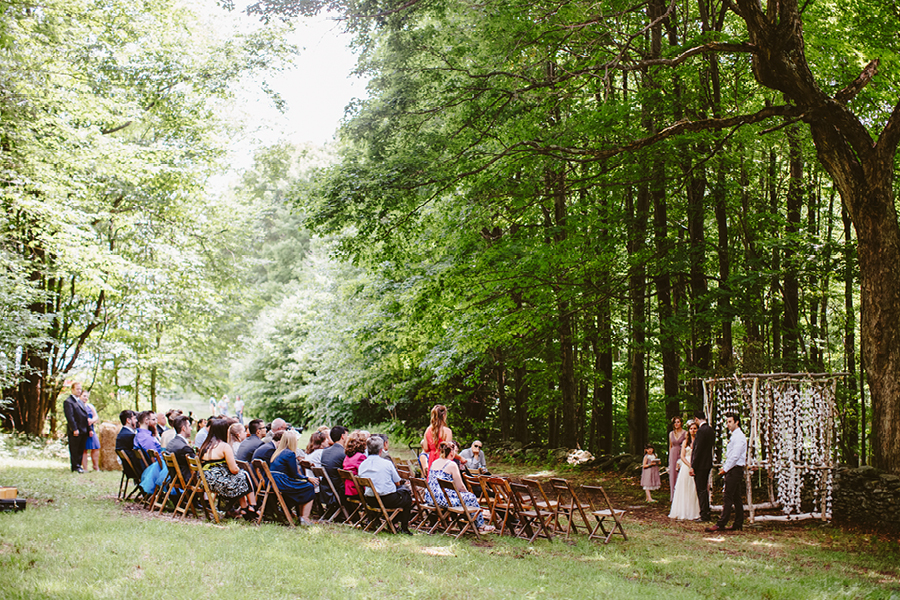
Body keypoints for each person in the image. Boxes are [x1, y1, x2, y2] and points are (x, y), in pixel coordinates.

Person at [426, 441, 493, 533]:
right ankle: (480, 525)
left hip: (430, 497)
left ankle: (467, 521)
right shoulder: (451, 464)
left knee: (465, 498)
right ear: (451, 452)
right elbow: (460, 486)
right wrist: (467, 493)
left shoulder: (434, 462)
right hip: (443, 499)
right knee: (471, 497)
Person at [199, 418, 257, 519]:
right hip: (218, 482)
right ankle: (251, 506)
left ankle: (245, 508)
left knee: (240, 478)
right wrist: (238, 469)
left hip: (205, 480)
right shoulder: (224, 446)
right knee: (243, 476)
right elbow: (233, 469)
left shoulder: (206, 445)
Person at [358, 435, 413, 534]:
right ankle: (403, 527)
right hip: (387, 500)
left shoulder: (362, 465)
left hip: (370, 500)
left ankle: (390, 522)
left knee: (399, 494)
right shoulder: (386, 463)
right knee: (406, 495)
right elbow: (397, 482)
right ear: (380, 450)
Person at [707, 412, 747, 533]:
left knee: (727, 496)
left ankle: (721, 523)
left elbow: (735, 456)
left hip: (735, 469)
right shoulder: (734, 436)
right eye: (727, 422)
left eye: (730, 421)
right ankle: (738, 523)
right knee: (736, 497)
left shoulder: (739, 436)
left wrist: (726, 468)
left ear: (737, 422)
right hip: (732, 468)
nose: (727, 424)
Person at [269, 430, 319, 525]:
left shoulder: (278, 452)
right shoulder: (290, 454)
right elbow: (294, 475)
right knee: (309, 487)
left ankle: (301, 516)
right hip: (281, 482)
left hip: (274, 481)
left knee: (304, 486)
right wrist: (308, 478)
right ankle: (304, 517)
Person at [668, 421, 700, 520]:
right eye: (691, 429)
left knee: (694, 488)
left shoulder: (699, 440)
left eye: (695, 428)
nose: (693, 431)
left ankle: (695, 510)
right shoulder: (685, 442)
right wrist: (690, 465)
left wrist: (695, 465)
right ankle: (682, 510)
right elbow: (682, 456)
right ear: (689, 430)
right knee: (684, 487)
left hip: (697, 465)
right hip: (686, 466)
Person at [689, 409, 715, 522]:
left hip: (700, 465)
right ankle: (706, 512)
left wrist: (693, 465)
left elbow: (697, 450)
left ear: (696, 419)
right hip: (707, 463)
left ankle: (704, 514)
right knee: (704, 489)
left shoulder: (700, 431)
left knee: (701, 489)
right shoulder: (710, 430)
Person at [63, 382, 89, 473]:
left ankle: (79, 465)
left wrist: (89, 429)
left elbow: (85, 416)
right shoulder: (68, 402)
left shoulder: (80, 401)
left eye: (80, 389)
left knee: (80, 448)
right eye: (77, 389)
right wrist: (74, 428)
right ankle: (75, 466)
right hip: (76, 429)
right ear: (72, 389)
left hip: (84, 430)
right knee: (74, 449)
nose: (79, 391)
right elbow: (70, 417)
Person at [321, 426, 349, 505]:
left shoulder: (325, 452)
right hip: (338, 491)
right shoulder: (343, 453)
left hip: (325, 489)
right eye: (347, 435)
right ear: (342, 436)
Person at [421, 404, 452, 475]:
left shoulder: (428, 430)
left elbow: (425, 449)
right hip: (443, 460)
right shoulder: (447, 431)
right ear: (444, 416)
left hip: (432, 459)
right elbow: (448, 450)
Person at [165, 415, 195, 484]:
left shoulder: (171, 443)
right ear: (183, 428)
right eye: (189, 426)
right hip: (189, 480)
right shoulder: (184, 448)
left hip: (175, 479)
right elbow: (197, 464)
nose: (191, 429)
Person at [342, 430, 369, 498]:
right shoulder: (360, 456)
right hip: (357, 491)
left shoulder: (347, 457)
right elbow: (365, 473)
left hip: (349, 489)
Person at [81, 389, 101, 472]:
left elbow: (96, 416)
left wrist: (92, 420)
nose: (86, 398)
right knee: (84, 449)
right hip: (83, 429)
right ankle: (85, 468)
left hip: (91, 429)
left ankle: (95, 466)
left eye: (87, 396)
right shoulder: (78, 406)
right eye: (84, 396)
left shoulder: (90, 406)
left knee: (96, 447)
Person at [668, 416, 686, 498]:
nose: (676, 424)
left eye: (678, 422)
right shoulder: (671, 433)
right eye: (675, 422)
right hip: (673, 453)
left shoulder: (685, 433)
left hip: (681, 453)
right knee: (673, 474)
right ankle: (673, 495)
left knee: (681, 473)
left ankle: (681, 495)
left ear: (681, 423)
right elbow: (670, 446)